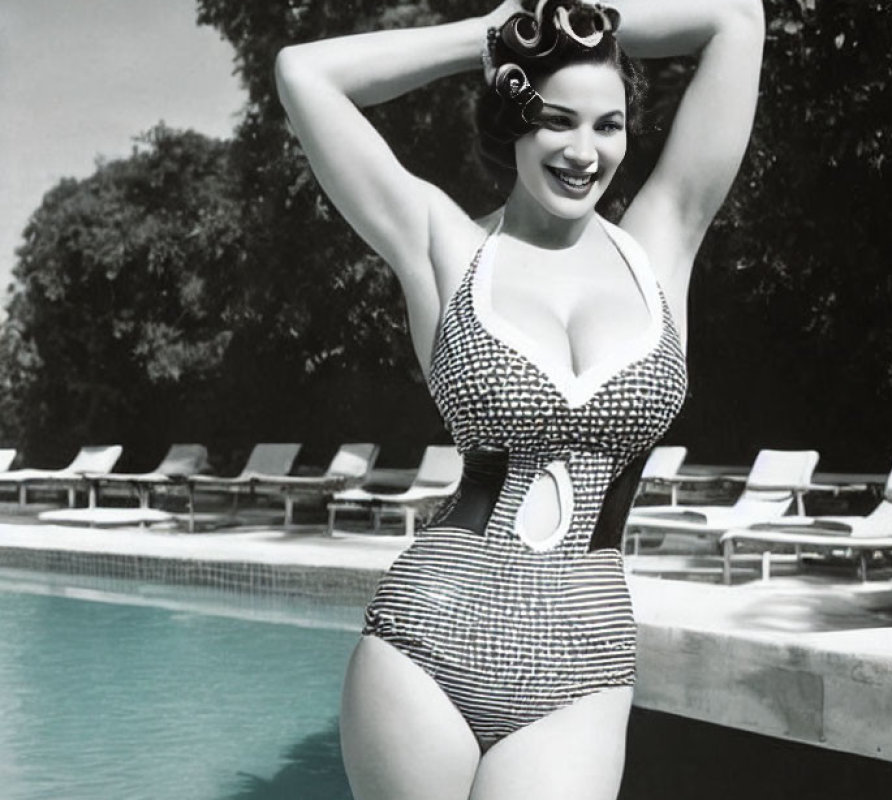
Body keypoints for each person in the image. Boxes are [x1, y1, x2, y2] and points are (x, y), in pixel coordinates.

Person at [275, 0, 764, 797]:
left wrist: (577, 18)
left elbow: (736, 22)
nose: (583, 151)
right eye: (557, 120)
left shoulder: (662, 239)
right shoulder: (445, 246)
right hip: (428, 644)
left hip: (583, 663)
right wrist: (493, 35)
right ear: (513, 118)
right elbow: (305, 74)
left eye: (608, 125)